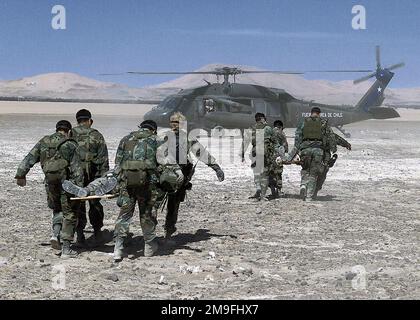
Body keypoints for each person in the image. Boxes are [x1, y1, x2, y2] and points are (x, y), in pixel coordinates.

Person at [15, 120, 84, 258]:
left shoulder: (44, 141)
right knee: (69, 213)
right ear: (69, 131)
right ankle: (66, 248)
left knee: (57, 209)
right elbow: (77, 169)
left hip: (50, 183)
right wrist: (80, 189)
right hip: (67, 184)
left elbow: (29, 158)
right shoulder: (70, 144)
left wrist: (21, 174)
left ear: (57, 129)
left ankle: (55, 234)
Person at [160, 112, 224, 242]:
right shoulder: (186, 138)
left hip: (163, 175)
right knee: (173, 204)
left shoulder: (163, 137)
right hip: (177, 177)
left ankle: (154, 235)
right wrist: (216, 167)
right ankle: (168, 230)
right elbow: (201, 153)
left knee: (160, 203)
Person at [71, 109, 109, 246]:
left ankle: (80, 235)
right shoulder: (97, 135)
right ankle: (97, 233)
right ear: (90, 121)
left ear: (77, 120)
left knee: (78, 204)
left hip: (75, 178)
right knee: (95, 204)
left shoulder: (70, 134)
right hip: (94, 177)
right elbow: (103, 160)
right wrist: (104, 180)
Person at [293, 107, 337, 201]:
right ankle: (309, 196)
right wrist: (333, 149)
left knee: (305, 169)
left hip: (305, 149)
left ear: (311, 113)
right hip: (318, 150)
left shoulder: (303, 122)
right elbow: (331, 136)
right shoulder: (323, 122)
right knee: (313, 172)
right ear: (319, 113)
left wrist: (297, 150)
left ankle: (303, 184)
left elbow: (298, 136)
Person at [248, 113, 276, 201]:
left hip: (255, 152)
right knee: (265, 174)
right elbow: (274, 140)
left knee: (256, 171)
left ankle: (258, 187)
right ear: (262, 119)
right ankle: (263, 195)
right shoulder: (267, 128)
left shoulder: (252, 128)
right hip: (265, 152)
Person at [314, 133, 351, 197]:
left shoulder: (306, 127)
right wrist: (346, 144)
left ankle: (304, 186)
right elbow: (335, 138)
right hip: (323, 154)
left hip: (309, 153)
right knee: (323, 170)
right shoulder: (326, 130)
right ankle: (315, 190)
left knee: (307, 170)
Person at [267, 120, 289, 200]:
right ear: (281, 126)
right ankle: (278, 191)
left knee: (270, 173)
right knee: (278, 173)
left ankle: (272, 191)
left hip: (269, 156)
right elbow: (285, 146)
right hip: (278, 156)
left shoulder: (269, 132)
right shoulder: (281, 133)